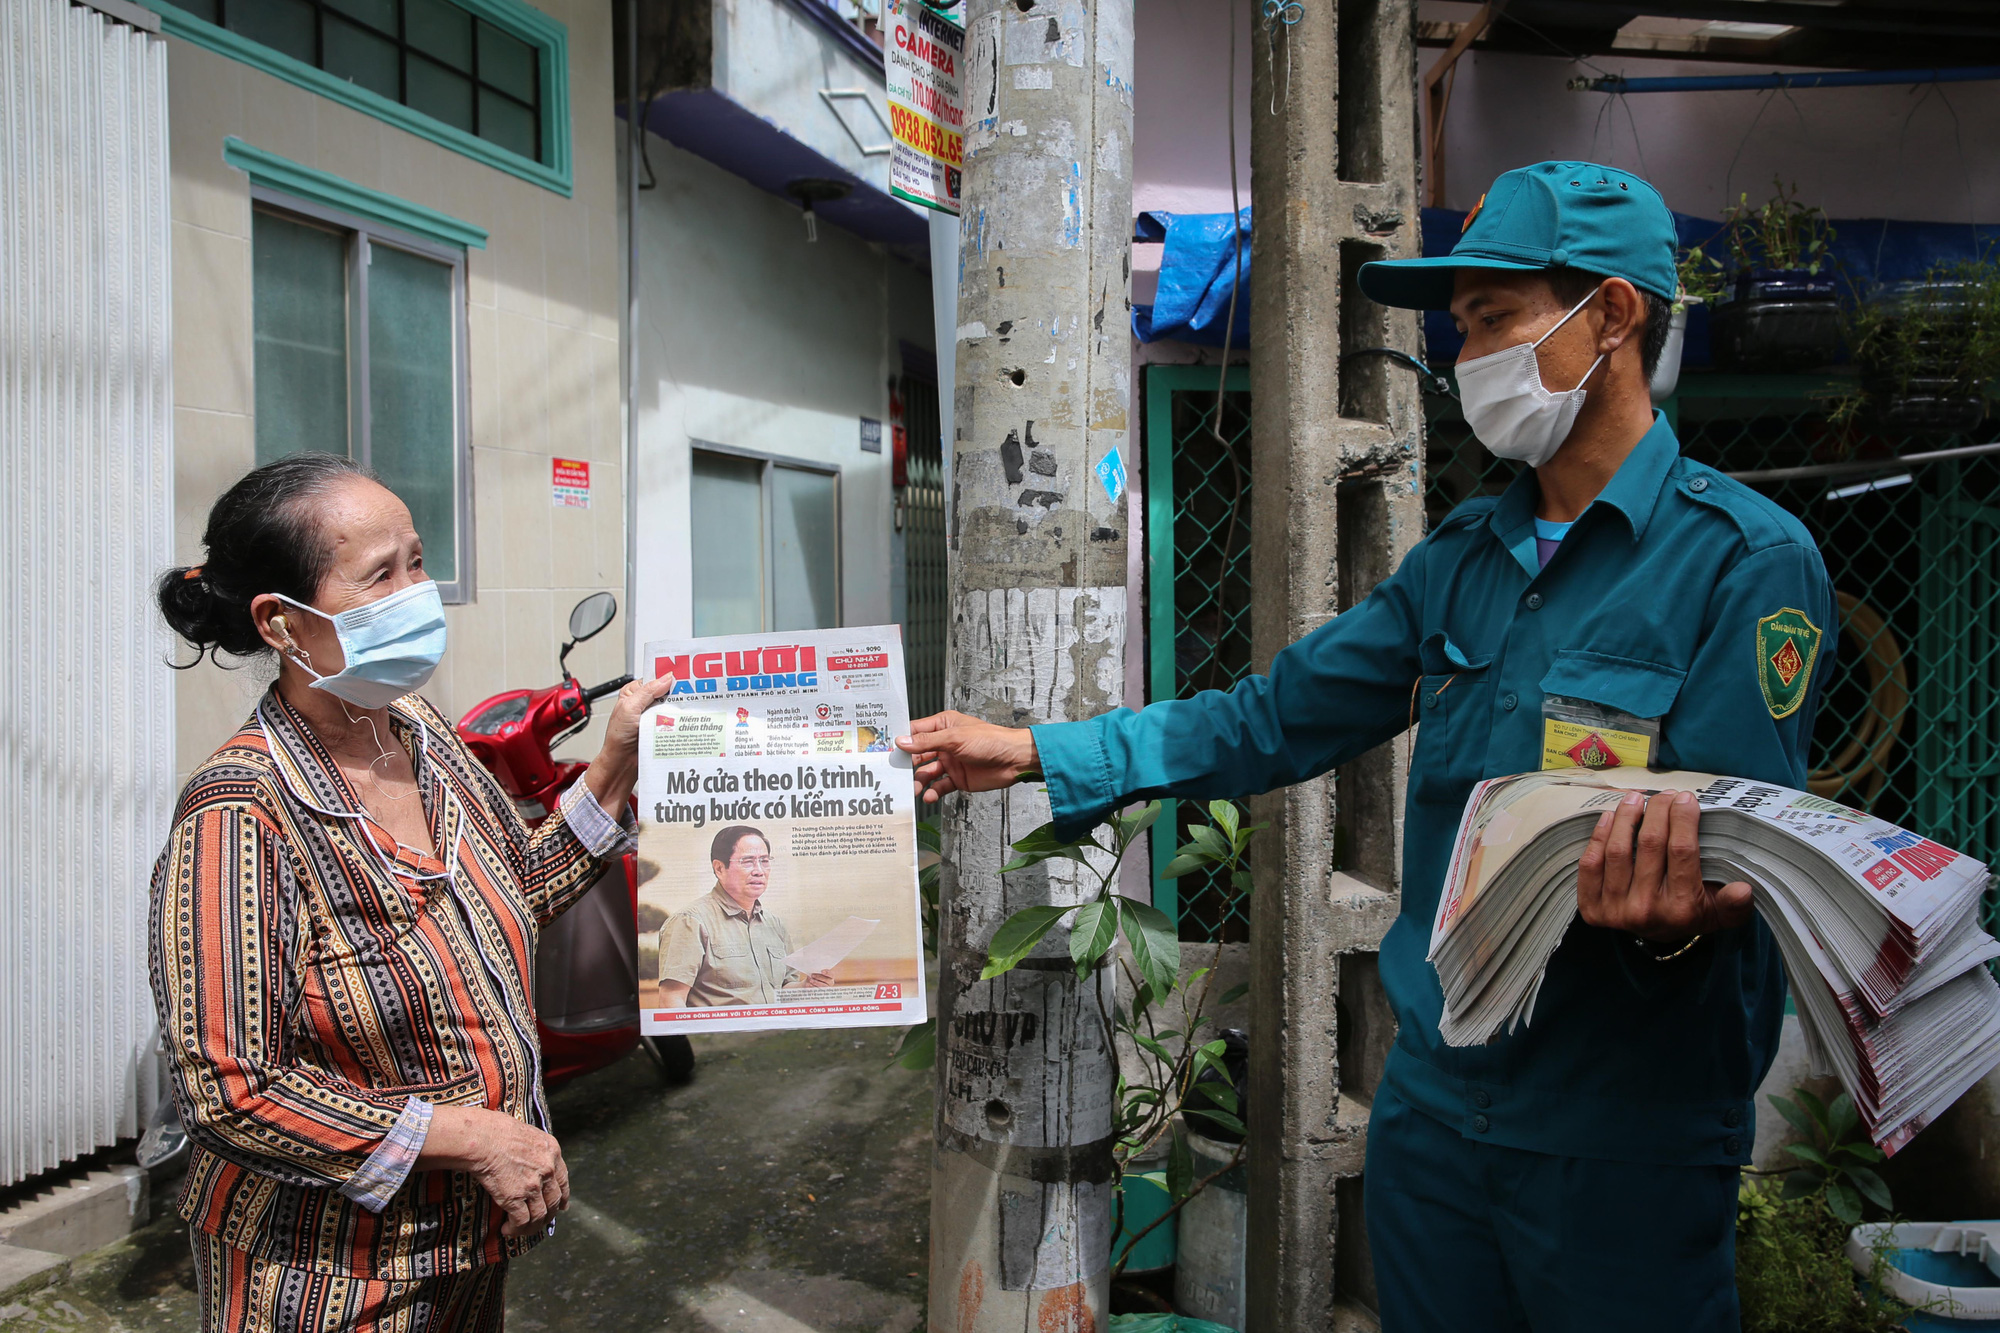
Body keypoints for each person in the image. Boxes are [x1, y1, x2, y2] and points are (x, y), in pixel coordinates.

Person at [898, 162, 1834, 1332]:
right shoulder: (1463, 556)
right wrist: (1036, 749)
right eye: (1458, 326)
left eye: (1494, 316)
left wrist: (1676, 914)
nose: (1464, 352)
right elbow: (1271, 717)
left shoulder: (1743, 561)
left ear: (1610, 313)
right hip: (1436, 1119)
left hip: (1619, 1134)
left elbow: (1740, 860)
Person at [150, 452, 674, 1332]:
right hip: (329, 1280)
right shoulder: (240, 813)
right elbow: (230, 1089)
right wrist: (480, 1137)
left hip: (467, 1251)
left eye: (419, 561)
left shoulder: (420, 732)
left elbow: (515, 892)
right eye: (380, 575)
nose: (417, 594)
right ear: (280, 622)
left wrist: (615, 764)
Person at [655, 825, 835, 1006]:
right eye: (748, 861)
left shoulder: (775, 924)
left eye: (764, 861)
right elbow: (671, 999)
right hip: (722, 1033)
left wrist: (806, 987)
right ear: (719, 868)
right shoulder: (690, 922)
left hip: (774, 1031)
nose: (759, 870)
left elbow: (781, 991)